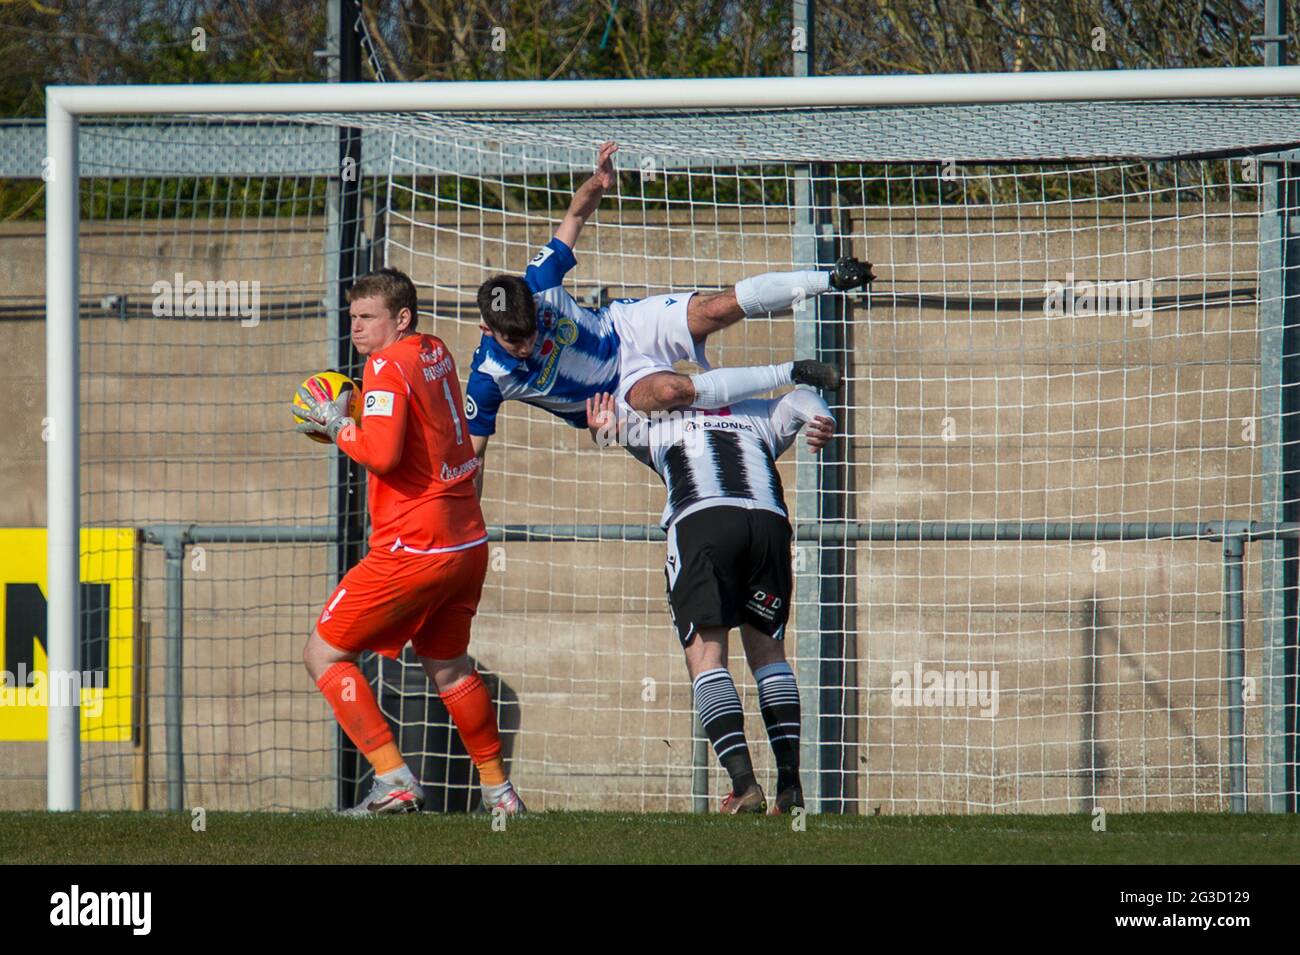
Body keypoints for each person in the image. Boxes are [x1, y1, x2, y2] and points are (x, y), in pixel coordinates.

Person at [465, 140, 873, 497]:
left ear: (535, 308)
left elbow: (573, 220)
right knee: (670, 392)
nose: (527, 347)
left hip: (623, 328)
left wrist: (596, 183)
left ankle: (830, 277)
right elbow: (475, 456)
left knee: (715, 307)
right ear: (488, 330)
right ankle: (793, 371)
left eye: (532, 334)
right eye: (515, 343)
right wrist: (467, 525)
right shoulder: (488, 378)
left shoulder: (541, 283)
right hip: (615, 395)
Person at [292, 267, 524, 816]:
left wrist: (336, 424)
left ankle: (393, 778)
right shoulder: (433, 349)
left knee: (323, 654)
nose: (356, 328)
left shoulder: (385, 364)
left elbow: (383, 454)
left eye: (368, 317)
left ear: (401, 317)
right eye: (352, 317)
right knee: (448, 665)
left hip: (413, 546)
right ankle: (501, 794)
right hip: (466, 542)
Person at [584, 381, 835, 814]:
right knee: (769, 654)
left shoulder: (659, 422)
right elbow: (800, 398)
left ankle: (743, 784)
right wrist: (821, 416)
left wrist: (603, 427)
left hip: (704, 521)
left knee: (706, 656)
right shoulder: (755, 411)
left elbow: (614, 430)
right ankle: (790, 788)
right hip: (768, 524)